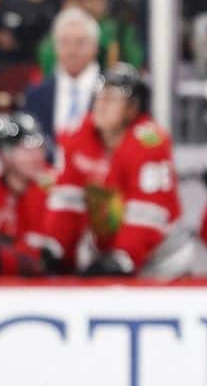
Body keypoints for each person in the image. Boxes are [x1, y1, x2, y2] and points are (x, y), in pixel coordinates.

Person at [42, 64, 180, 275]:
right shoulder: (80, 139)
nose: (102, 103)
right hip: (108, 251)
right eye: (99, 95)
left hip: (161, 260)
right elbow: (67, 202)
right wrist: (57, 248)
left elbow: (148, 213)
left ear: (133, 108)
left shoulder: (150, 143)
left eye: (112, 97)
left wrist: (124, 256)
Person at [40, 0, 143, 72]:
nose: (87, 5)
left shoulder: (120, 31)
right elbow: (49, 68)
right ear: (66, 3)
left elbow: (134, 65)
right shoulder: (58, 35)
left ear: (105, 1)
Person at [24, 7, 101, 141]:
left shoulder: (110, 94)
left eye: (80, 42)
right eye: (65, 42)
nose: (72, 50)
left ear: (95, 47)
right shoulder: (36, 94)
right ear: (54, 46)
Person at [0, 111, 54, 276]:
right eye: (27, 149)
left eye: (39, 147)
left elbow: (47, 258)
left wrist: (1, 255)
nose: (37, 156)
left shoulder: (52, 189)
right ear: (5, 154)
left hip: (49, 287)